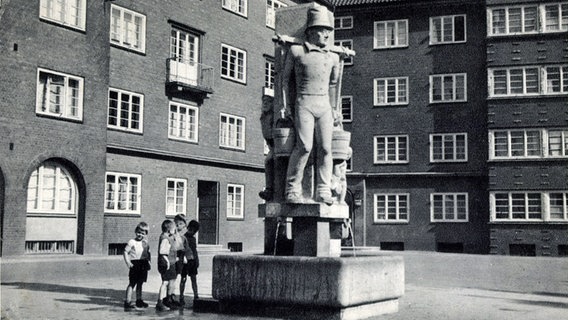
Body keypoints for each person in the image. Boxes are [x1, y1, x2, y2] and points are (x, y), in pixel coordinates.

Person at [281, 5, 340, 205]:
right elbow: (285, 80)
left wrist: (335, 108)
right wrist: (285, 105)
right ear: (311, 32)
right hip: (304, 102)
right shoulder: (297, 51)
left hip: (324, 105)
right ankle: (292, 189)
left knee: (325, 148)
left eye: (328, 31)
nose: (326, 35)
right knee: (304, 146)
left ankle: (323, 189)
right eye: (322, 30)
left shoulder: (333, 57)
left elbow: (333, 85)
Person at [123, 222, 151, 311]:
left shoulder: (145, 243)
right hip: (135, 264)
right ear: (135, 231)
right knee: (132, 283)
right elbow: (125, 252)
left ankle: (139, 300)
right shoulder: (132, 242)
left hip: (143, 264)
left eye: (143, 233)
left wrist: (149, 262)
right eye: (139, 232)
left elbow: (148, 253)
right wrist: (128, 262)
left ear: (146, 234)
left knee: (140, 283)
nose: (140, 235)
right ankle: (127, 301)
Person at [156, 219, 179, 311]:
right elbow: (162, 252)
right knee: (165, 283)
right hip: (167, 264)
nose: (175, 230)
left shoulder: (169, 237)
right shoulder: (165, 239)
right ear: (169, 230)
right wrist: (168, 262)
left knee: (170, 282)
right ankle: (160, 302)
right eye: (174, 229)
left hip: (171, 263)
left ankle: (168, 299)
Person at [180, 219, 200, 305]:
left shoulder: (193, 239)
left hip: (192, 261)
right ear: (188, 228)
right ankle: (181, 296)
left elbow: (194, 250)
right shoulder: (183, 238)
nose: (192, 232)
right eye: (191, 230)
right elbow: (182, 250)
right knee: (183, 279)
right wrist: (183, 258)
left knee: (194, 279)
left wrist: (197, 259)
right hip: (185, 261)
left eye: (194, 231)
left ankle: (196, 295)